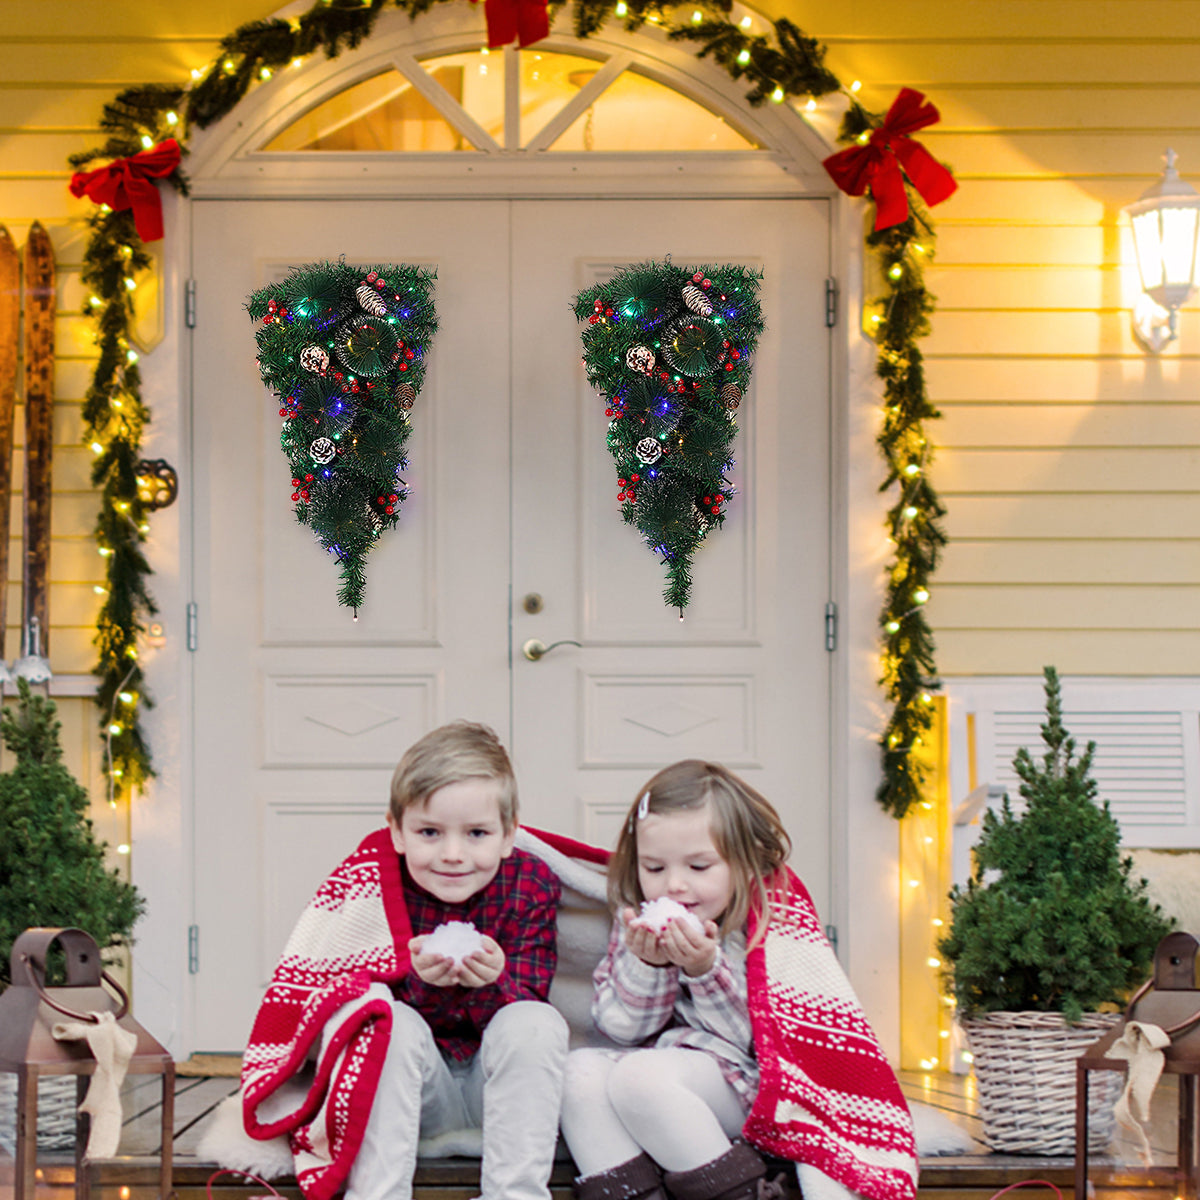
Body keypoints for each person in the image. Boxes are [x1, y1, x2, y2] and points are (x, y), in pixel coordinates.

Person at [559, 761, 918, 1200]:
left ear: (743, 864)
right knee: (577, 1073)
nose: (674, 885)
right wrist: (648, 967)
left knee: (639, 1078)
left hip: (748, 1084)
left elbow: (757, 1042)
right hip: (664, 1069)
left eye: (698, 866)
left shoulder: (764, 922)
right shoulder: (635, 920)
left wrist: (703, 969)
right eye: (654, 868)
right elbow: (620, 1028)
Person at [240, 722, 569, 1200]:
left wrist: (492, 983)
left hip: (496, 1089)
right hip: (410, 1098)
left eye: (476, 833)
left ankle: (515, 1194)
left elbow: (531, 998)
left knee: (536, 1021)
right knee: (384, 1019)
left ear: (508, 834)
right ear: (396, 831)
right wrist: (415, 980)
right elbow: (342, 997)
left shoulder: (530, 883)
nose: (453, 855)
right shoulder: (371, 886)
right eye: (429, 832)